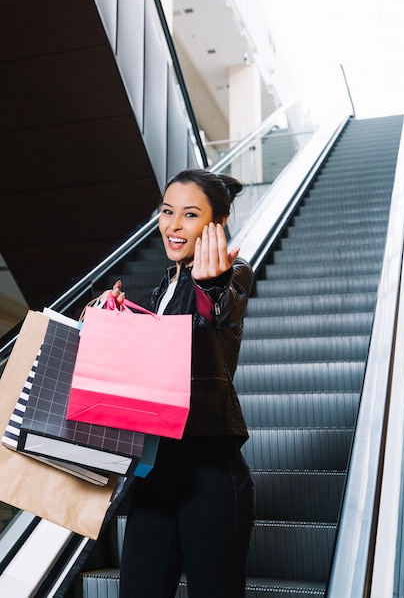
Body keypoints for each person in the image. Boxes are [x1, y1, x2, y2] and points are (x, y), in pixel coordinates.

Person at [103, 169, 255, 598]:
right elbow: (155, 362)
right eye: (167, 211)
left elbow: (219, 313)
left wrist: (212, 284)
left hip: (210, 471)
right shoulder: (161, 289)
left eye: (189, 215)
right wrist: (118, 319)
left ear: (216, 224)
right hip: (155, 474)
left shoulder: (234, 271)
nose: (172, 225)